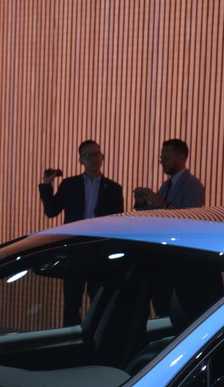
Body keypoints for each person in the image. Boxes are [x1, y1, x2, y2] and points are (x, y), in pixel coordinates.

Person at [38, 139, 124, 323]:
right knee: (71, 301)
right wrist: (46, 185)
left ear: (102, 157)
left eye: (96, 154)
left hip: (99, 252)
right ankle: (70, 338)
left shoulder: (114, 189)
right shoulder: (69, 185)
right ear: (80, 160)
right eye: (88, 155)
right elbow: (51, 211)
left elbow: (118, 224)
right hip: (74, 249)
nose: (93, 159)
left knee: (98, 301)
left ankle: (95, 337)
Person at [133, 138, 205, 210]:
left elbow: (189, 216)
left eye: (166, 158)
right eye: (161, 158)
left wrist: (159, 202)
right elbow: (157, 212)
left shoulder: (194, 186)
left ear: (181, 159)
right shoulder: (166, 184)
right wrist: (141, 203)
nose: (162, 162)